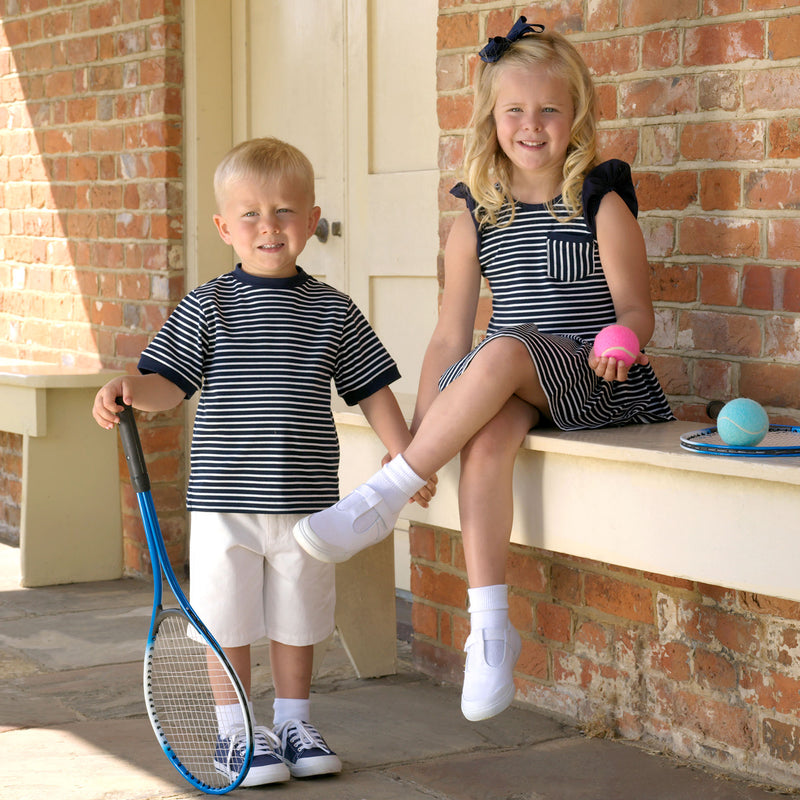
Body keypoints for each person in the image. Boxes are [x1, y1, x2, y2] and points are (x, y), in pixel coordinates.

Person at [292, 20, 674, 723]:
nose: (532, 126)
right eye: (514, 111)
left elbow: (636, 308)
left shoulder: (600, 201)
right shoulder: (477, 215)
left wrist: (622, 336)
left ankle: (381, 501)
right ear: (491, 120)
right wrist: (415, 435)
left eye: (549, 110)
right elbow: (446, 337)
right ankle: (491, 632)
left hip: (595, 378)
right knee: (488, 443)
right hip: (514, 380)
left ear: (577, 116)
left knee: (502, 352)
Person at [92, 137, 434, 786]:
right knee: (227, 620)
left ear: (311, 220)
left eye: (283, 211)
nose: (267, 226)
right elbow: (168, 383)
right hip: (225, 503)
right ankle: (236, 732)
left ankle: (296, 722)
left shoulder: (332, 310)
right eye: (248, 214)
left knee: (299, 617)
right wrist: (129, 386)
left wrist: (404, 457)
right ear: (224, 228)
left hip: (306, 501)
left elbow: (369, 388)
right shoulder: (208, 306)